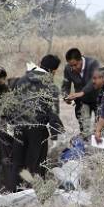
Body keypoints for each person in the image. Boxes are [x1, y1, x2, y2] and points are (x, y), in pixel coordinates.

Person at [10, 54, 64, 191]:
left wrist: (11, 126)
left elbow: (11, 104)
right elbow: (53, 114)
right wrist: (55, 136)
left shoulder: (22, 80)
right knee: (37, 163)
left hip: (19, 127)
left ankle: (15, 192)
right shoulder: (50, 86)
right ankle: (35, 194)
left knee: (18, 162)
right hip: (38, 129)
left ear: (40, 63)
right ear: (54, 70)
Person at [62, 48, 100, 138]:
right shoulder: (68, 68)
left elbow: (94, 81)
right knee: (84, 128)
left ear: (81, 59)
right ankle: (85, 148)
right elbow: (65, 85)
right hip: (82, 101)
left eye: (75, 65)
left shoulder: (93, 63)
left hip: (98, 99)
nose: (73, 68)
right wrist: (66, 97)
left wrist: (82, 92)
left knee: (99, 128)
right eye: (71, 65)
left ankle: (100, 150)